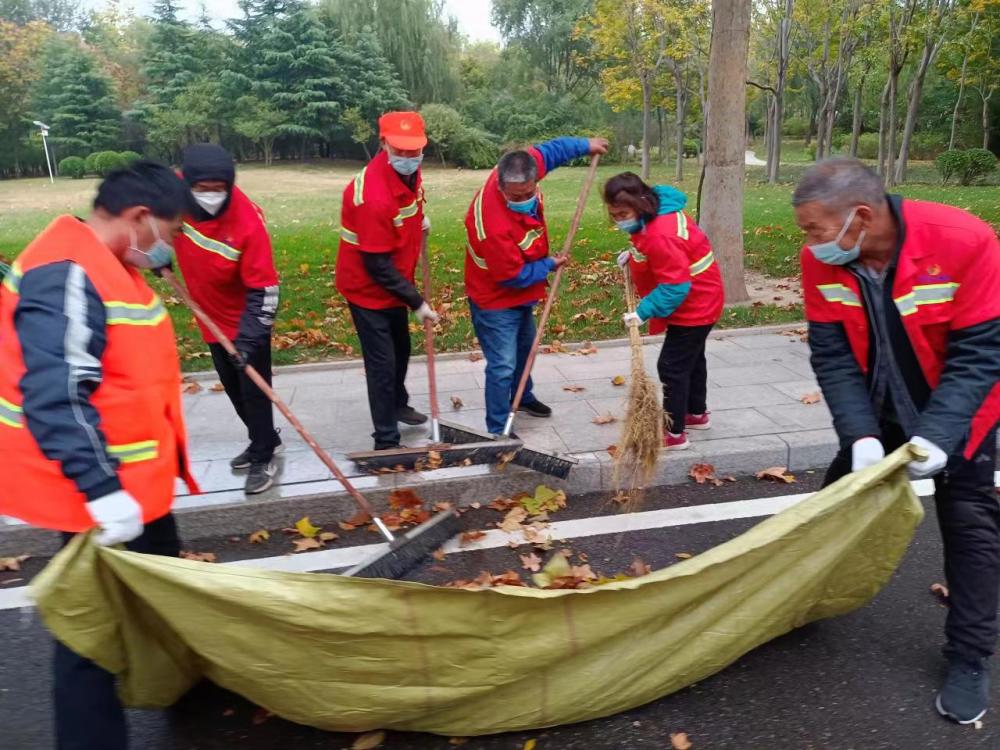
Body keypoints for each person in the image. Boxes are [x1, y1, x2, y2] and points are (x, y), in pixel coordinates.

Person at [0, 161, 200, 749]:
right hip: (100, 496)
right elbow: (56, 392)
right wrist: (102, 490)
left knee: (165, 594)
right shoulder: (66, 271)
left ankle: (186, 686)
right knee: (90, 637)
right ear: (140, 219)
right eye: (172, 232)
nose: (171, 247)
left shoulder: (108, 265)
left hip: (141, 488)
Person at [794, 157, 1000, 725]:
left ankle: (968, 658)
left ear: (859, 216)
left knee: (969, 527)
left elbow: (980, 355)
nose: (809, 243)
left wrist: (938, 437)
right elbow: (832, 355)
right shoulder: (822, 260)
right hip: (879, 409)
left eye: (814, 228)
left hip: (961, 412)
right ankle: (790, 599)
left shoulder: (964, 240)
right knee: (833, 506)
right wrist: (859, 435)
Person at [464, 136, 608, 436]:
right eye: (515, 196)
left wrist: (586, 145)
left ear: (534, 178)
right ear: (500, 186)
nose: (522, 200)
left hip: (521, 293)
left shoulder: (519, 167)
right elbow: (510, 276)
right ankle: (498, 427)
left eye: (528, 193)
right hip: (494, 298)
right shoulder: (493, 225)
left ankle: (524, 397)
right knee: (503, 364)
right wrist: (549, 265)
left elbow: (550, 152)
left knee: (524, 349)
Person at [176, 144, 282, 494]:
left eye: (218, 190)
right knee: (236, 392)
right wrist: (155, 253)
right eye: (201, 190)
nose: (210, 196)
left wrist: (249, 341)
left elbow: (265, 290)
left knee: (254, 391)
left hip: (246, 318)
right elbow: (145, 221)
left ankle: (263, 454)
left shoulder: (247, 221)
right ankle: (260, 439)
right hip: (208, 314)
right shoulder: (172, 193)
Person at [336, 111, 438, 451]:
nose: (409, 158)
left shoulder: (407, 172)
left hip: (396, 279)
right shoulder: (371, 196)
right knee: (382, 363)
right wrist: (417, 302)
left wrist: (419, 219)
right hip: (367, 288)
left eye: (414, 151)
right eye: (401, 151)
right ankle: (386, 440)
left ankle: (397, 404)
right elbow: (377, 265)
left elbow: (407, 206)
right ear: (383, 144)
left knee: (401, 350)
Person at [604, 172, 724, 450]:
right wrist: (635, 257)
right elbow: (662, 254)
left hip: (695, 304)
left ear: (640, 203)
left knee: (671, 366)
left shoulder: (661, 233)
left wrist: (642, 312)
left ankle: (674, 433)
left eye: (623, 214)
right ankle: (695, 413)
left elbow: (675, 286)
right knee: (692, 359)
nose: (619, 220)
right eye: (614, 215)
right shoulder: (658, 209)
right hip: (702, 296)